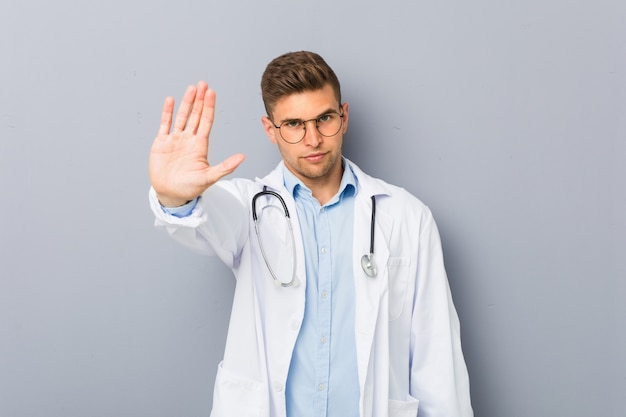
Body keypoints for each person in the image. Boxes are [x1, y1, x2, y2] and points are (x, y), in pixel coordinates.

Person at [148, 51, 473, 417]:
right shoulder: (248, 209)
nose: (313, 139)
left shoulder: (406, 217)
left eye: (324, 119)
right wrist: (175, 194)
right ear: (270, 130)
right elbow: (199, 218)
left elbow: (437, 355)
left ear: (344, 116)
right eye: (293, 124)